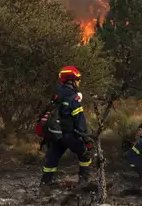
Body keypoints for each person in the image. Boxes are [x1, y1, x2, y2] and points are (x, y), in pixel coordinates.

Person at [40, 66, 94, 194]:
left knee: (51, 159)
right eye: (78, 79)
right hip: (70, 135)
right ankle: (83, 182)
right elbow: (79, 120)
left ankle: (45, 184)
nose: (79, 82)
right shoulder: (73, 97)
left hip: (55, 135)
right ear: (72, 80)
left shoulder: (57, 94)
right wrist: (86, 138)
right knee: (85, 155)